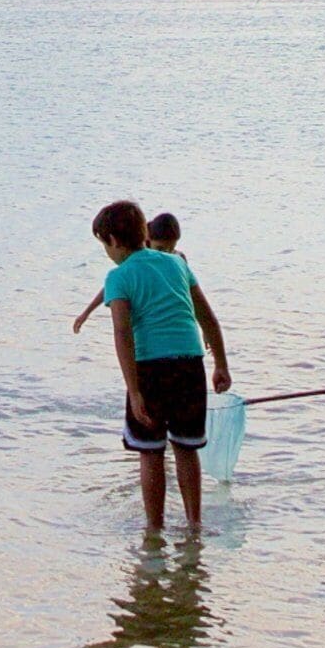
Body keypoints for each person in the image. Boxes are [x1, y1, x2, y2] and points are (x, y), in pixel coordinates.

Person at [92, 200, 230, 533]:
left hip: (150, 368)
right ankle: (194, 523)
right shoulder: (177, 265)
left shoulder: (118, 276)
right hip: (190, 364)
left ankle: (154, 528)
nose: (106, 253)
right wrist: (221, 364)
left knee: (150, 452)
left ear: (113, 240)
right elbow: (206, 316)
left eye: (104, 245)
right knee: (186, 447)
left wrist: (134, 391)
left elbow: (123, 335)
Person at [72, 210, 186, 333]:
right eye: (160, 248)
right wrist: (87, 312)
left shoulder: (178, 260)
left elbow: (188, 295)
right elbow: (112, 286)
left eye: (171, 248)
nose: (166, 253)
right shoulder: (140, 261)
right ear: (148, 240)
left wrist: (205, 330)